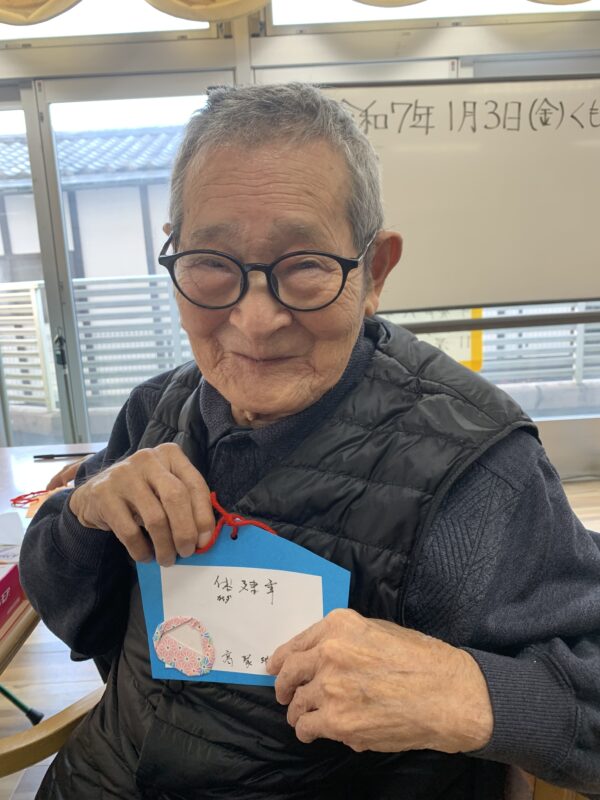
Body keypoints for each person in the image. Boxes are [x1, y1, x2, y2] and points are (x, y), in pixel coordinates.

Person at [20, 83, 600, 800]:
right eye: (212, 263)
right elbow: (71, 614)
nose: (255, 320)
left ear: (374, 271)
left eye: (303, 267)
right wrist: (82, 513)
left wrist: (470, 691)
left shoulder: (474, 468)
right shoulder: (155, 409)